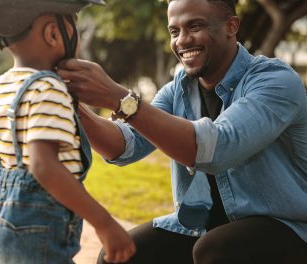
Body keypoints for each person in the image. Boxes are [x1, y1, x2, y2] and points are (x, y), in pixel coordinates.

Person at [56, 0, 307, 263]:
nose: (182, 40)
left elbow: (218, 148)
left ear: (231, 26)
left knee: (216, 250)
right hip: (204, 225)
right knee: (117, 256)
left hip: (291, 227)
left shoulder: (275, 81)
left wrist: (119, 98)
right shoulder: (179, 89)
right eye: (174, 32)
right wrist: (73, 102)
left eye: (195, 26)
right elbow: (123, 145)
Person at [0, 0, 136, 263]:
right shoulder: (48, 87)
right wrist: (105, 224)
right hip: (35, 229)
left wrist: (8, 205)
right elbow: (44, 166)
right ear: (53, 33)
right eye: (73, 21)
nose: (76, 30)